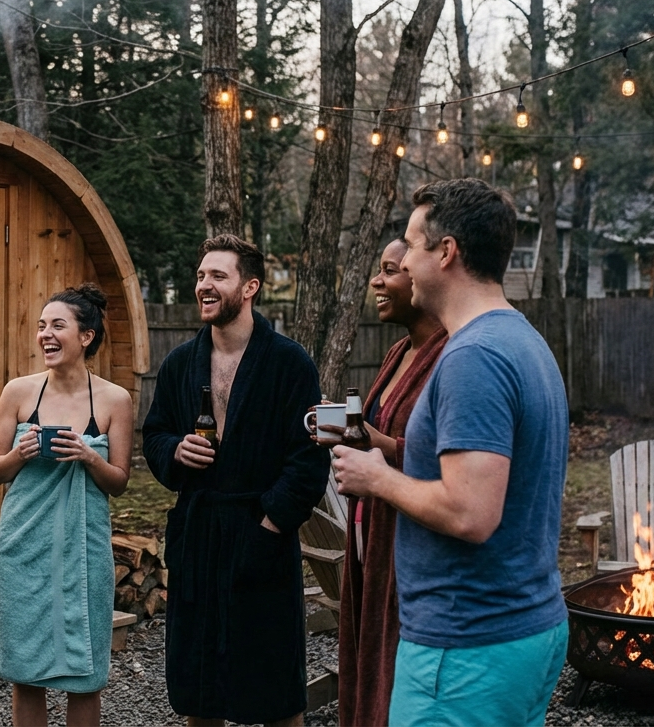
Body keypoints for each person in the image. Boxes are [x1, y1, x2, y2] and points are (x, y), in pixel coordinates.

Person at [332, 179, 568, 727]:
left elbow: (470, 512)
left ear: (446, 252)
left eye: (412, 246)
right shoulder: (521, 340)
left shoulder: (474, 357)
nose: (405, 262)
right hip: (521, 631)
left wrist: (378, 477)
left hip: (466, 649)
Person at [142, 234, 330, 726]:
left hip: (260, 531)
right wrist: (176, 451)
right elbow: (155, 433)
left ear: (250, 287)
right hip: (199, 531)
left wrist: (269, 526)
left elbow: (309, 458)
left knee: (275, 687)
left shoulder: (289, 363)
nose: (204, 285)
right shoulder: (181, 363)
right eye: (201, 275)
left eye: (217, 276)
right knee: (198, 688)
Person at [310, 239, 447, 727]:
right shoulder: (397, 353)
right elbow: (377, 433)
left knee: (398, 675)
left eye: (390, 270)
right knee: (370, 660)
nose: (376, 281)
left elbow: (449, 464)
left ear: (422, 277)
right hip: (368, 536)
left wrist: (382, 446)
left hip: (411, 544)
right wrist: (343, 432)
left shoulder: (451, 357)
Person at [0, 284, 134, 727]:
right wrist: (20, 453)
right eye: (41, 326)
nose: (45, 335)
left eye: (57, 325)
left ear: (86, 336)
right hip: (21, 547)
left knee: (84, 674)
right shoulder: (18, 392)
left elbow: (121, 482)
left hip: (83, 549)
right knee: (24, 672)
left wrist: (90, 456)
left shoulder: (114, 400)